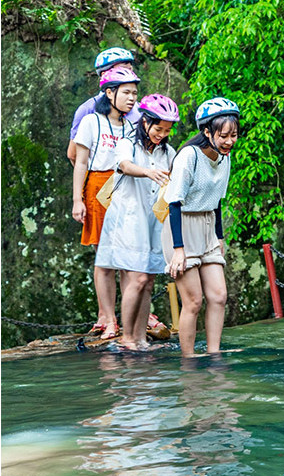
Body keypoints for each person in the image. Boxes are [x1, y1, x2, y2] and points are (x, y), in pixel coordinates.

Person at [95, 94, 179, 350]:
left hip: (152, 220)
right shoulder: (128, 143)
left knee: (149, 280)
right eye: (157, 128)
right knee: (138, 279)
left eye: (166, 130)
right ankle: (127, 338)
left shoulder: (169, 152)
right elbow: (123, 165)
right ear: (145, 122)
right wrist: (148, 172)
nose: (161, 134)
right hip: (127, 220)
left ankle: (140, 338)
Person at [162, 97, 239, 357]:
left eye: (234, 135)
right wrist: (178, 249)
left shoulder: (225, 158)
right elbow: (174, 202)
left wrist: (218, 236)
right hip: (181, 227)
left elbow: (216, 200)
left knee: (219, 296)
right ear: (207, 132)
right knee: (193, 301)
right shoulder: (189, 156)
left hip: (207, 226)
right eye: (224, 135)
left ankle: (214, 354)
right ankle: (189, 358)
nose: (230, 141)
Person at [71, 63, 140, 337]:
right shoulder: (91, 121)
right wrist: (78, 200)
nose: (132, 98)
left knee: (126, 258)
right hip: (98, 187)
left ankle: (129, 318)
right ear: (109, 93)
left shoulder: (132, 124)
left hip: (124, 188)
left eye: (134, 93)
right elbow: (80, 162)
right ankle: (109, 318)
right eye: (126, 92)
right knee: (105, 258)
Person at [66, 47, 138, 166]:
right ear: (105, 74)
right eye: (124, 70)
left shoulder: (138, 110)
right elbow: (73, 154)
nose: (129, 75)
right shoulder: (87, 109)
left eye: (131, 70)